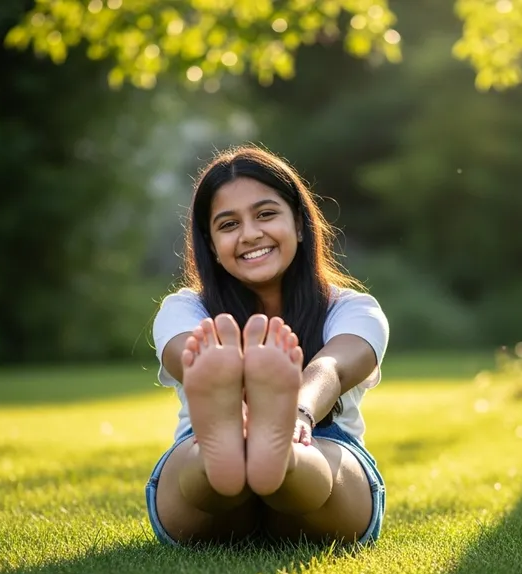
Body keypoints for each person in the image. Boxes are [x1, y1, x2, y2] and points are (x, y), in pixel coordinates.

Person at [145, 145, 389, 546]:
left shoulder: (352, 308)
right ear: (211, 245)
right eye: (228, 225)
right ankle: (226, 443)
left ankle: (277, 453)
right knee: (211, 457)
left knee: (307, 458)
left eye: (265, 214)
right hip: (205, 476)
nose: (250, 234)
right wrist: (228, 404)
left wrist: (296, 415)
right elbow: (184, 356)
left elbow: (333, 366)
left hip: (322, 458)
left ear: (299, 222)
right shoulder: (186, 308)